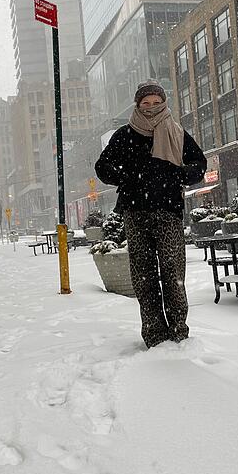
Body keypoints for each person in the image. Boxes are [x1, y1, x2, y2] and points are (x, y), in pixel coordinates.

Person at [95, 80, 207, 348]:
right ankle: (155, 335)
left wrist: (176, 175)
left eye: (156, 102)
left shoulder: (176, 132)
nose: (151, 107)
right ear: (138, 105)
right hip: (135, 213)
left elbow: (199, 165)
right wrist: (127, 177)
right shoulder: (124, 135)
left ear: (164, 102)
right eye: (146, 103)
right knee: (143, 276)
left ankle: (179, 332)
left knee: (173, 275)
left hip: (168, 211)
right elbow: (102, 167)